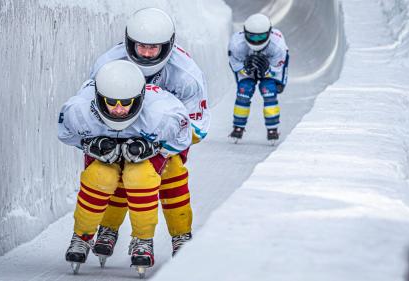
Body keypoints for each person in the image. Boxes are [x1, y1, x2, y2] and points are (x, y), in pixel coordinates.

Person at [89, 7, 209, 259]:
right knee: (115, 167)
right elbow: (92, 110)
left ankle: (180, 233)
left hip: (167, 137)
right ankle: (108, 228)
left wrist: (159, 147)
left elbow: (197, 127)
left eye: (153, 48)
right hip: (117, 131)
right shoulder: (108, 65)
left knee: (170, 171)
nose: (145, 53)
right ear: (128, 42)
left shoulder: (186, 75)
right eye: (140, 46)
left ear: (168, 47)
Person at [58, 60, 191, 272]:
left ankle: (144, 239)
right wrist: (90, 145)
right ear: (98, 98)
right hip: (109, 150)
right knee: (100, 176)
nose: (119, 110)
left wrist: (154, 148)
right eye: (111, 102)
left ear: (139, 98)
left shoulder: (163, 113)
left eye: (126, 102)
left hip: (150, 147)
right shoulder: (79, 110)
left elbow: (183, 139)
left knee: (142, 176)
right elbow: (65, 133)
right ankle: (82, 235)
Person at [228, 13, 289, 142]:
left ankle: (272, 128)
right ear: (244, 33)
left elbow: (278, 69)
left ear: (269, 33)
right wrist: (245, 69)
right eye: (251, 37)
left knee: (269, 90)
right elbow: (235, 66)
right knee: (244, 90)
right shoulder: (236, 44)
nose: (256, 41)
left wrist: (267, 71)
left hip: (271, 68)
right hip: (247, 69)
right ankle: (238, 126)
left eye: (261, 37)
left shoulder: (278, 46)